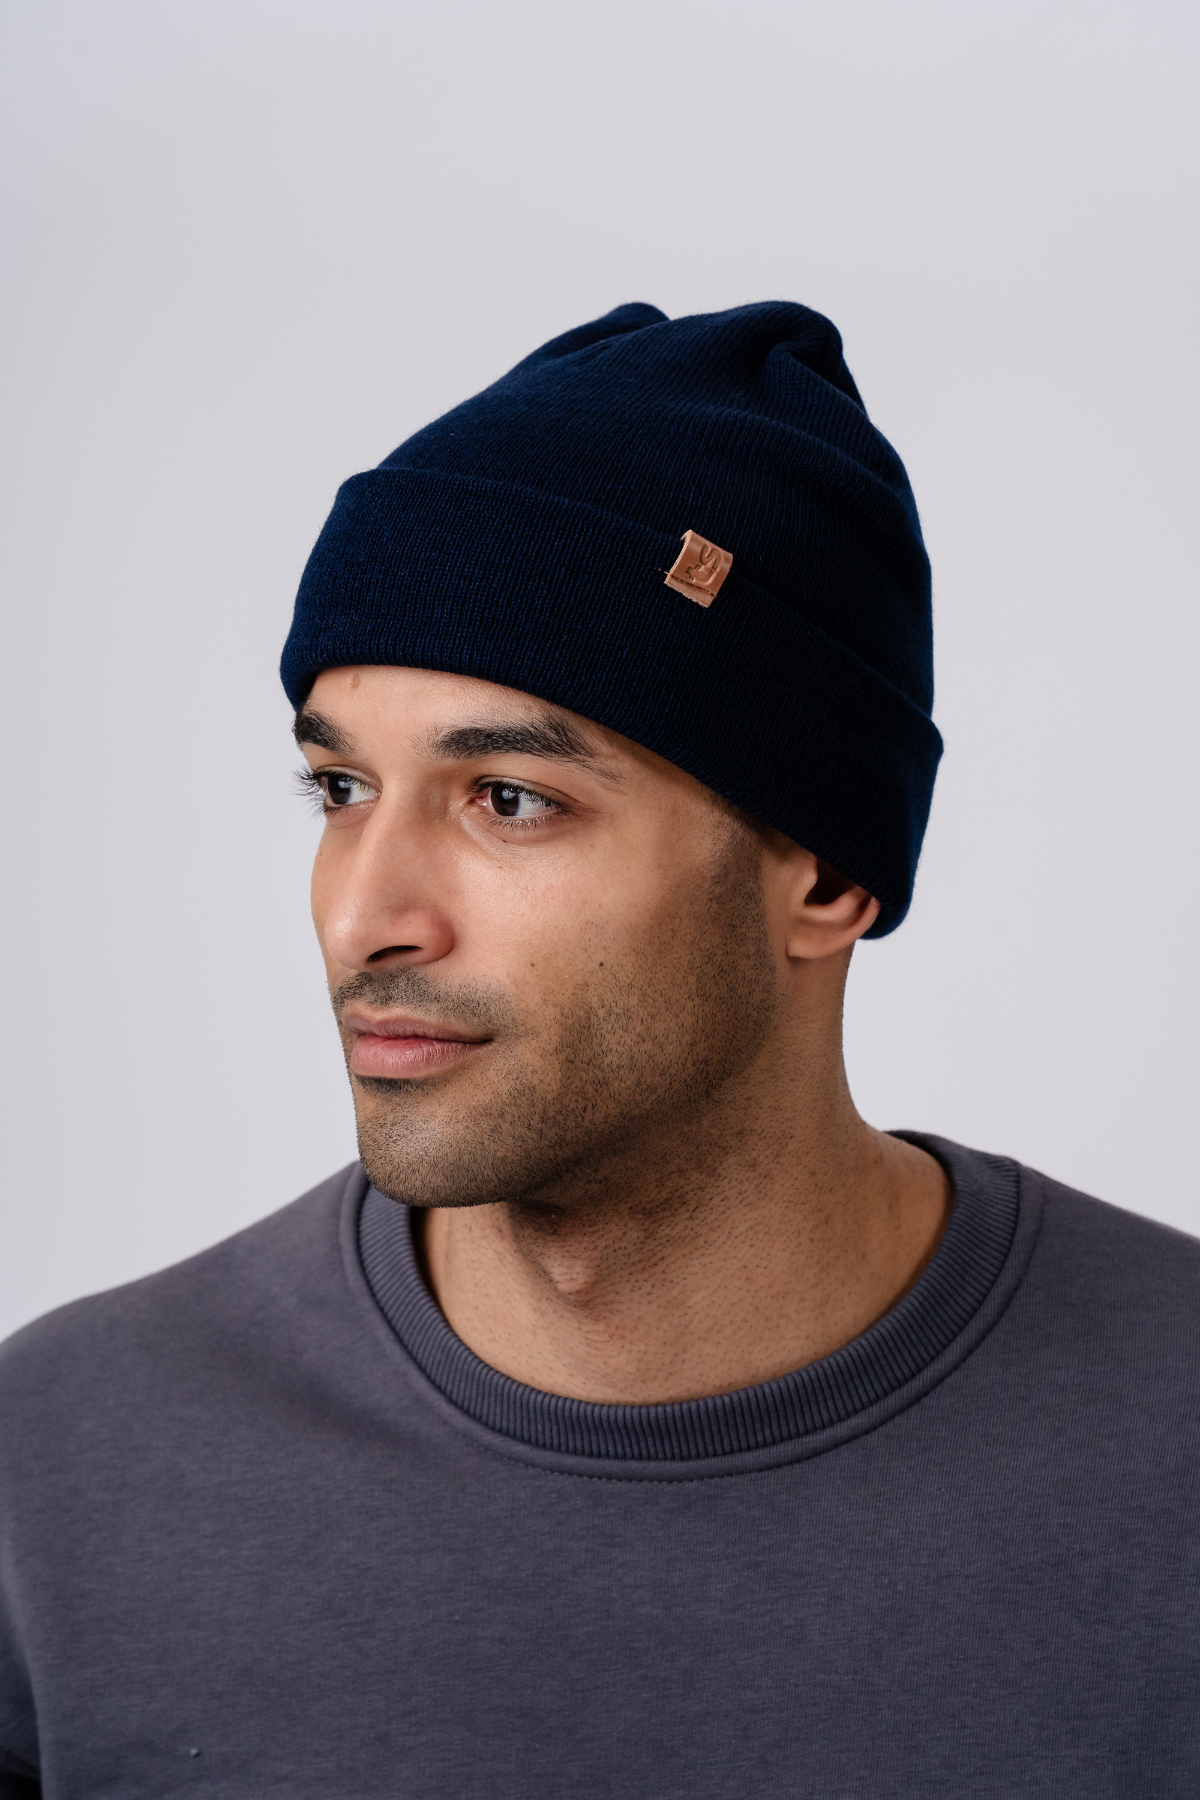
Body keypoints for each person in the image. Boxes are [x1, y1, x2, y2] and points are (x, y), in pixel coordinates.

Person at [0, 303, 1196, 1798]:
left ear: (825, 873)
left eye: (509, 799)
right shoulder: (61, 1470)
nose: (364, 917)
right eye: (340, 789)